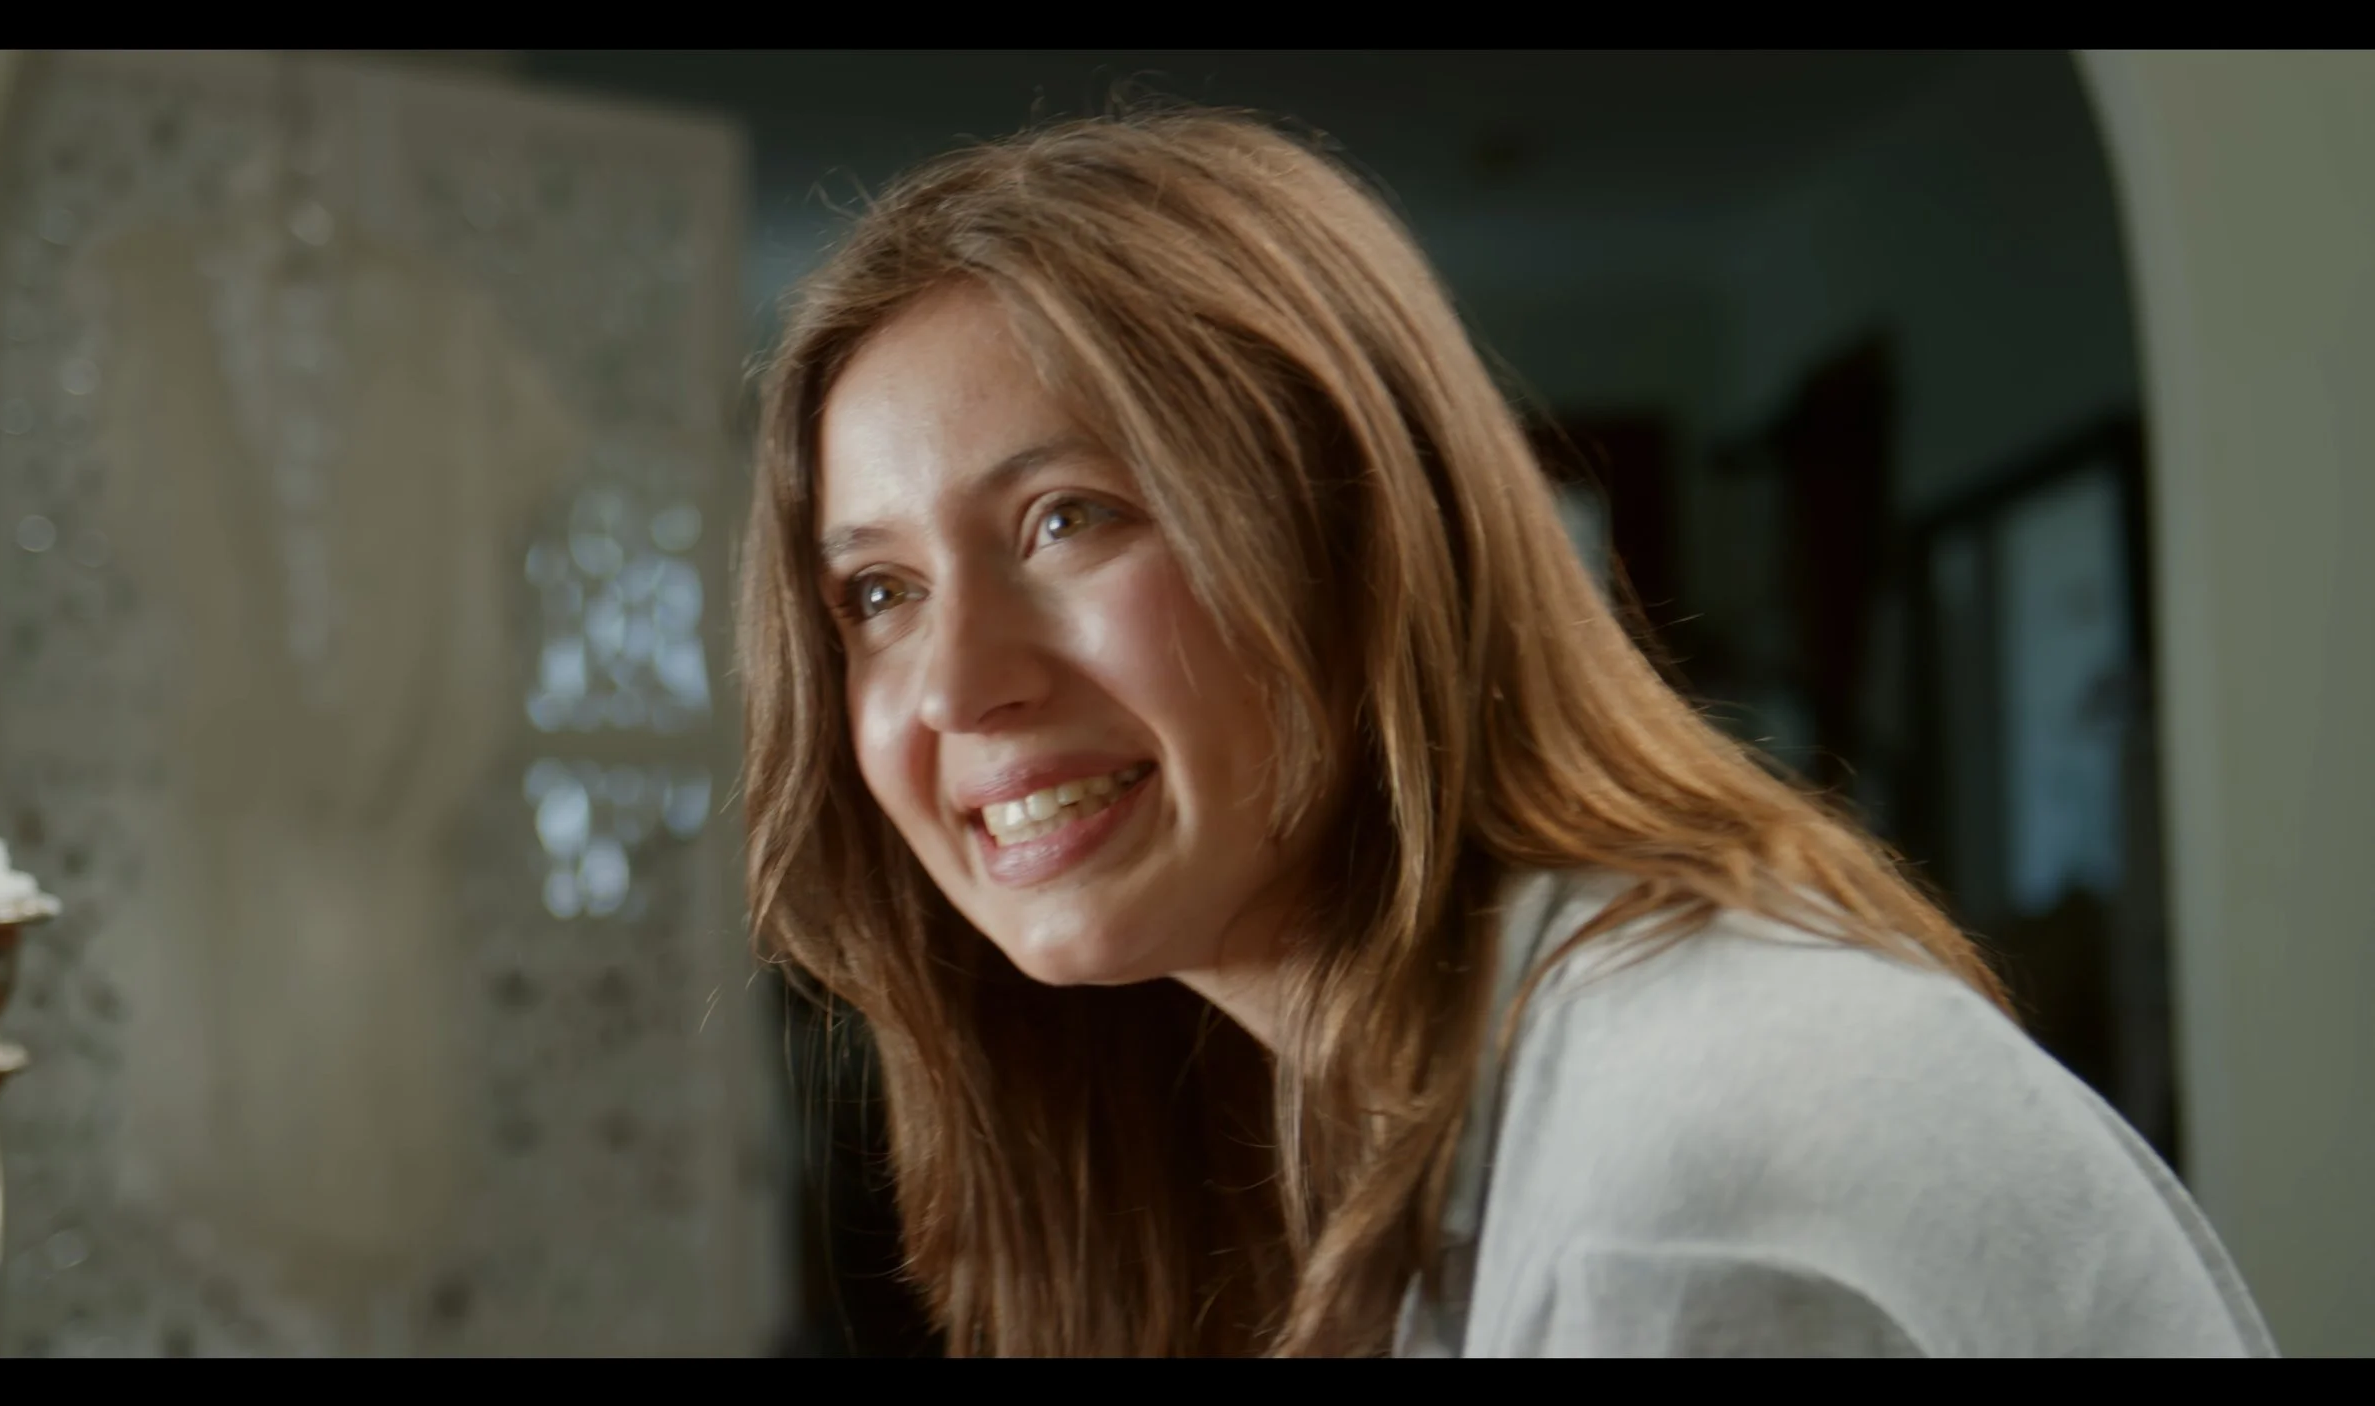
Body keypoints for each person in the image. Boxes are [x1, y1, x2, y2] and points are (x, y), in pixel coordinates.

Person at [737, 108, 2275, 1358]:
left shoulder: (1675, 1187)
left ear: (1357, 529)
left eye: (1067, 518)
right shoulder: (1382, 1106)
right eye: (876, 590)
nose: (953, 685)